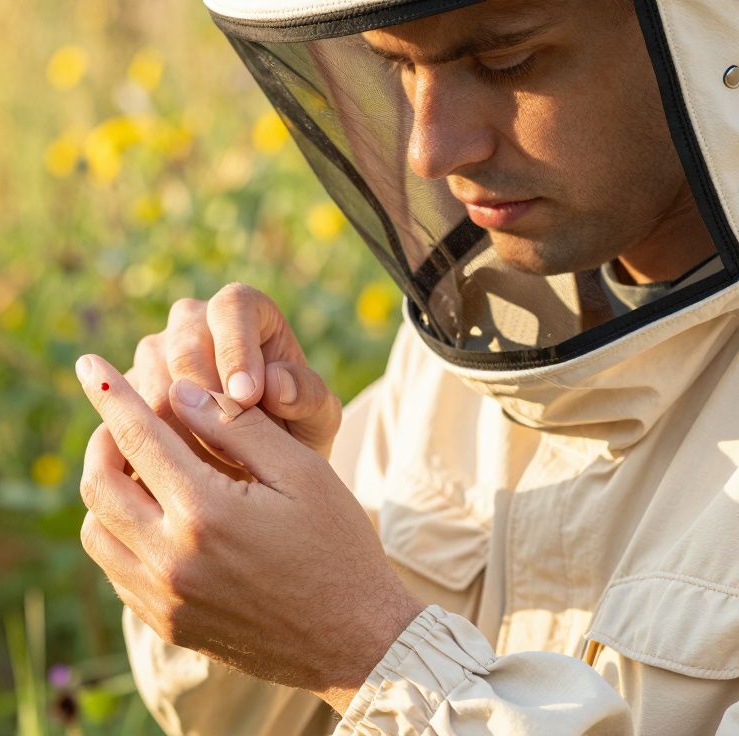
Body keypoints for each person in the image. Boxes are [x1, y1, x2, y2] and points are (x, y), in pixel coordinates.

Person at [74, 0, 739, 732]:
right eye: (398, 66)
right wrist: (223, 502)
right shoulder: (471, 348)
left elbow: (357, 657)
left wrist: (368, 655)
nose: (429, 150)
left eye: (506, 61)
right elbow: (240, 722)